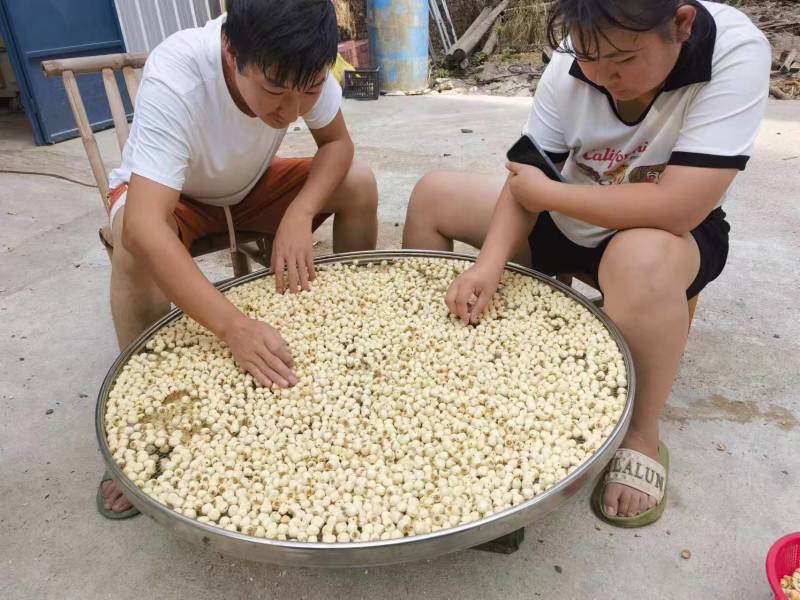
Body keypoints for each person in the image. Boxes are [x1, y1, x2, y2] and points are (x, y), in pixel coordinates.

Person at [403, 0, 770, 527]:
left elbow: (679, 205)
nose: (603, 76)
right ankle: (437, 361)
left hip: (664, 232)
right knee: (433, 196)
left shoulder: (735, 51)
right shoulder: (572, 62)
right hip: (564, 208)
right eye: (589, 56)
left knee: (639, 263)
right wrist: (487, 265)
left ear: (681, 24)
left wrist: (549, 194)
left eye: (623, 58)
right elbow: (525, 176)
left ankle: (641, 432)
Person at [98, 0, 379, 518]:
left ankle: (355, 338)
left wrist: (300, 213)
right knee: (135, 250)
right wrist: (234, 327)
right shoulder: (178, 72)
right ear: (231, 50)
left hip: (247, 187)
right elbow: (145, 224)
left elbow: (338, 145)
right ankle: (144, 432)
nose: (293, 110)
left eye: (310, 89)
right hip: (172, 195)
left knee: (357, 185)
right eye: (275, 89)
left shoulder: (300, 63)